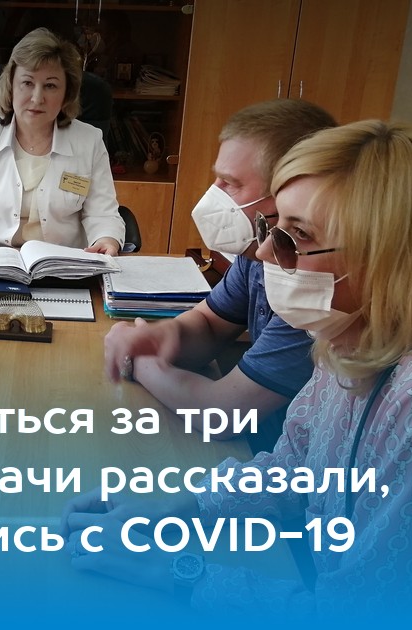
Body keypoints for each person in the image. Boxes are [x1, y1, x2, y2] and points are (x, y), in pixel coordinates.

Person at [63, 121, 412, 615]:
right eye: (273, 231)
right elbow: (294, 471)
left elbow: (358, 616)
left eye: (298, 236)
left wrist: (179, 570)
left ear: (387, 258)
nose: (264, 252)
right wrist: (176, 510)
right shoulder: (347, 340)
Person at [103, 99, 336, 448]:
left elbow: (222, 415)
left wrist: (140, 363)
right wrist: (160, 338)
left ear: (289, 190)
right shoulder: (257, 254)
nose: (214, 193)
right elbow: (209, 324)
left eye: (230, 183)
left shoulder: (312, 284)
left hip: (277, 459)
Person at [0, 27, 125, 261]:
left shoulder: (89, 141)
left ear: (67, 93)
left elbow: (103, 214)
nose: (37, 98)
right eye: (27, 82)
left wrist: (107, 240)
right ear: (11, 85)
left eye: (50, 86)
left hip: (63, 264)